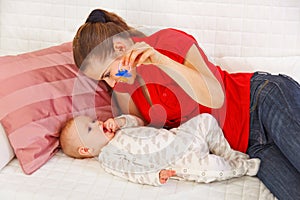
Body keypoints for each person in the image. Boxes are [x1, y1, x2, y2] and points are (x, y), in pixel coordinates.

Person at [72, 9, 300, 199]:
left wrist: (161, 61)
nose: (111, 83)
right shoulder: (122, 90)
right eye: (103, 80)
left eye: (108, 73)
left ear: (121, 48)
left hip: (259, 100)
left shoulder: (168, 41)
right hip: (248, 146)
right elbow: (141, 133)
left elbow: (215, 96)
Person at [59, 113, 260, 186]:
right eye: (90, 127)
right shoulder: (108, 156)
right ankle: (241, 167)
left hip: (178, 136)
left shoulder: (118, 130)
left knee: (206, 120)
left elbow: (138, 121)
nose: (98, 122)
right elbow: (131, 172)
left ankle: (229, 153)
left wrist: (120, 121)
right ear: (85, 150)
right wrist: (156, 175)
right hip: (177, 162)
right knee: (209, 168)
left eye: (93, 120)